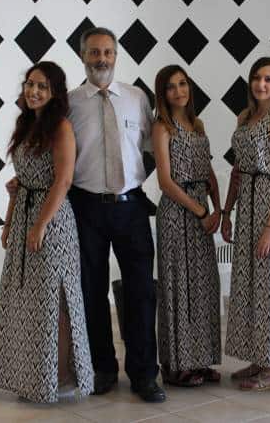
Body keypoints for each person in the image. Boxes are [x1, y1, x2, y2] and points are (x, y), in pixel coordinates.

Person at [0, 61, 94, 403]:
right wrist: (9, 221)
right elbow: (22, 182)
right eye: (30, 84)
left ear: (55, 92)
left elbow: (63, 181)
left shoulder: (61, 127)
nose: (33, 91)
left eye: (42, 86)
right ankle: (33, 376)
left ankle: (58, 377)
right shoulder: (27, 124)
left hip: (53, 223)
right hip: (25, 217)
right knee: (29, 302)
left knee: (53, 301)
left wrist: (40, 225)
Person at [66, 27, 165, 403]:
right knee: (91, 291)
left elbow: (152, 149)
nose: (101, 59)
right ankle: (103, 368)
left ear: (116, 55)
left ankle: (144, 374)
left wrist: (133, 182)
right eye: (94, 52)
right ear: (82, 56)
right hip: (85, 207)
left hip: (131, 207)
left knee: (141, 292)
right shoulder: (70, 103)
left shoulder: (137, 98)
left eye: (107, 52)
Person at [221, 57, 270, 390]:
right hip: (246, 206)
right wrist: (227, 211)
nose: (261, 84)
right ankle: (258, 356)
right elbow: (238, 170)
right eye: (256, 78)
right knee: (249, 283)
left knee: (269, 283)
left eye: (268, 79)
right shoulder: (244, 117)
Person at [152, 65, 222, 387]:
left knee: (203, 287)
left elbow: (208, 172)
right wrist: (200, 211)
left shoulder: (198, 124)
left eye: (182, 84)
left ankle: (200, 359)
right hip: (177, 214)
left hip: (202, 211)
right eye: (171, 87)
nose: (179, 91)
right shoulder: (162, 128)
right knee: (178, 289)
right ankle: (176, 365)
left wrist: (219, 209)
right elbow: (165, 181)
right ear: (162, 93)